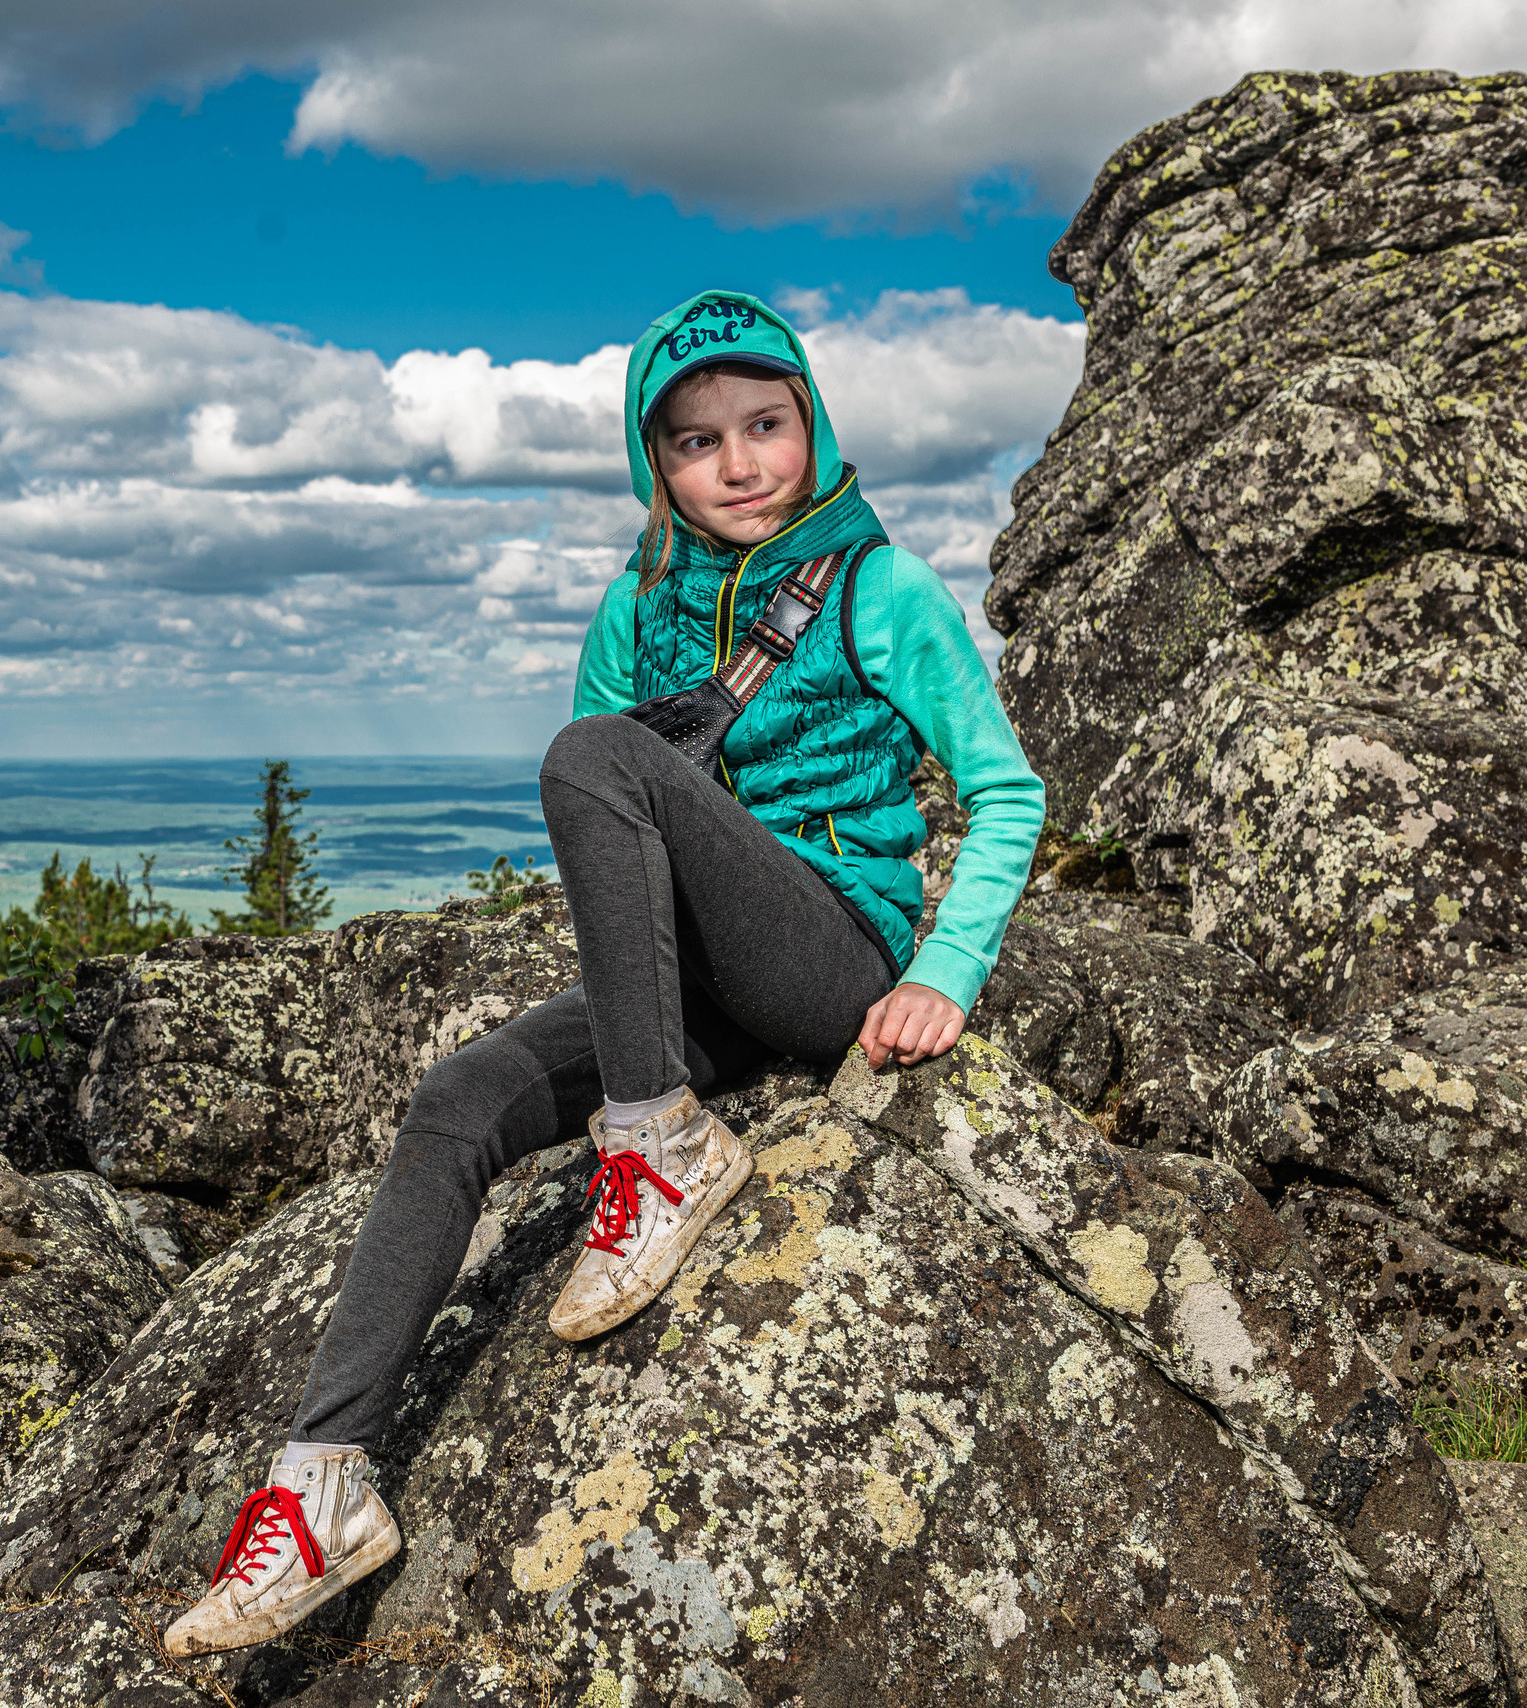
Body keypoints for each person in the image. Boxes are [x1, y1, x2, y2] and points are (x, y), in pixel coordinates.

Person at [161, 290, 1046, 1658]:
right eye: (696, 442)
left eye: (766, 425)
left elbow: (1007, 790)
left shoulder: (883, 587)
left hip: (828, 956)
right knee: (457, 1101)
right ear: (656, 466)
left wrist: (943, 969)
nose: (739, 464)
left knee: (592, 750)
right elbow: (611, 840)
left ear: (813, 424)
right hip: (691, 987)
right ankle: (322, 1482)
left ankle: (661, 1144)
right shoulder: (636, 607)